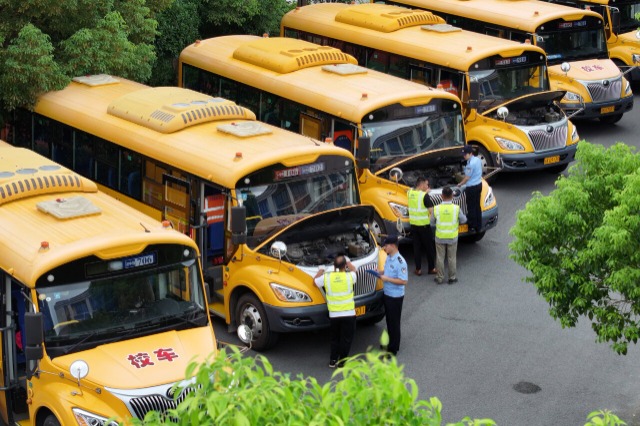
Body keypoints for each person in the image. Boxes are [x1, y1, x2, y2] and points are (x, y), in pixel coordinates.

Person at [314, 254, 358, 368]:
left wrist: (321, 270)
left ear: (334, 266)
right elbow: (355, 270)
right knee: (346, 339)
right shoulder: (350, 277)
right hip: (349, 314)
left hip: (334, 315)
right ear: (345, 266)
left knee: (335, 338)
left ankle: (332, 360)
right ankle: (342, 361)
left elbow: (315, 282)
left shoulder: (327, 278)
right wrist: (348, 261)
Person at [378, 235, 408, 357]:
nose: (384, 247)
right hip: (387, 293)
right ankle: (390, 343)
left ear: (392, 246)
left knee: (394, 322)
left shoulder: (400, 261)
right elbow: (388, 272)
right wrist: (380, 273)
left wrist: (387, 279)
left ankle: (393, 348)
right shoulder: (389, 257)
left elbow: (403, 281)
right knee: (389, 321)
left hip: (395, 296)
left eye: (386, 245)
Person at [431, 186, 467, 285]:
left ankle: (439, 278)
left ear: (442, 196)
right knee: (452, 258)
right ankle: (452, 278)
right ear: (452, 196)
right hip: (452, 237)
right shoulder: (456, 208)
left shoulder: (436, 208)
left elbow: (432, 223)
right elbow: (464, 220)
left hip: (439, 237)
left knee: (440, 258)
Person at [407, 175, 436, 276]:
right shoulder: (424, 196)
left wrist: (425, 192)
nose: (428, 186)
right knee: (429, 248)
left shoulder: (410, 193)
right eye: (427, 184)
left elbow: (413, 193)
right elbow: (431, 211)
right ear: (422, 184)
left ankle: (418, 269)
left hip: (414, 225)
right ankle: (431, 268)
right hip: (424, 226)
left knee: (417, 248)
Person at [458, 145, 482, 233]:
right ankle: (479, 225)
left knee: (471, 207)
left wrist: (459, 184)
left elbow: (467, 178)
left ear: (470, 153)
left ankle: (472, 226)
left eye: (465, 154)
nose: (464, 156)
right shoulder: (477, 159)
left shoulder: (470, 164)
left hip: (471, 187)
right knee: (477, 206)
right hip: (479, 184)